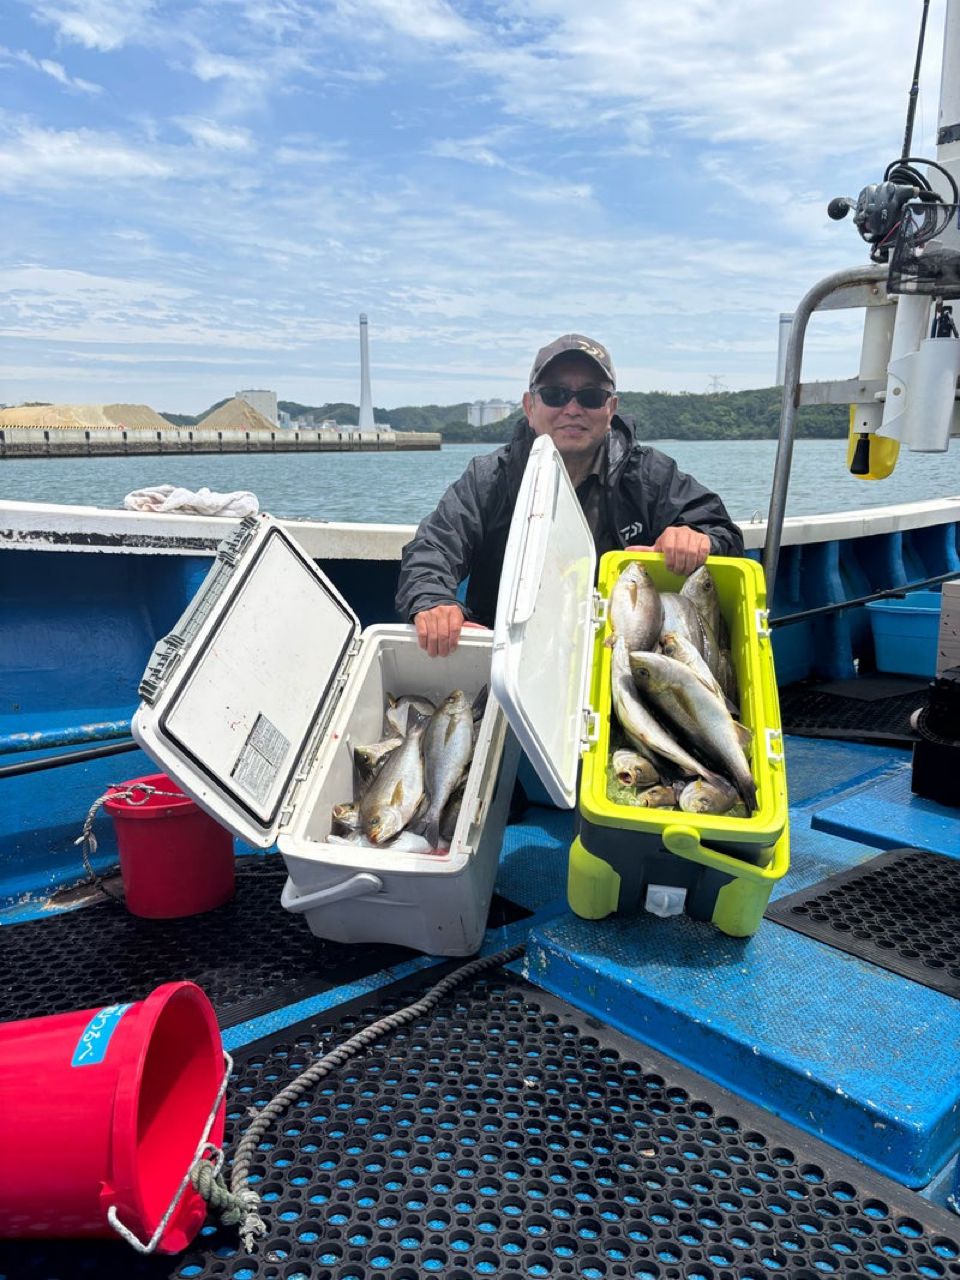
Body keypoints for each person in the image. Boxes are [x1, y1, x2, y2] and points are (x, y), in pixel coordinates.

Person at [396, 333, 744, 657]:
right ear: (529, 406)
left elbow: (721, 530)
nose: (573, 409)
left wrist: (696, 538)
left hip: (617, 654)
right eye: (555, 394)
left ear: (611, 409)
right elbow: (434, 546)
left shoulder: (650, 475)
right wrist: (432, 599)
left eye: (591, 396)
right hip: (513, 657)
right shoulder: (489, 479)